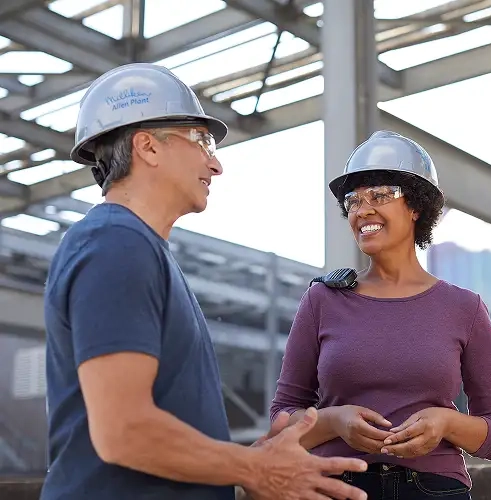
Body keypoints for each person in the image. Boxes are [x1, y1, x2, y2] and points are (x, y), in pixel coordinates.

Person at [40, 63, 369, 500]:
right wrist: (254, 468)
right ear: (147, 147)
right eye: (202, 141)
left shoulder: (138, 250)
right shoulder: (115, 245)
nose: (215, 165)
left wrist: (258, 458)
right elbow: (124, 430)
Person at [270, 130, 491, 499]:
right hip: (339, 487)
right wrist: (334, 421)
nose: (363, 209)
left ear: (416, 206)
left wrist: (446, 422)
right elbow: (280, 420)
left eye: (381, 195)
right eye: (353, 201)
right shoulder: (321, 300)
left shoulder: (465, 308)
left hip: (435, 490)